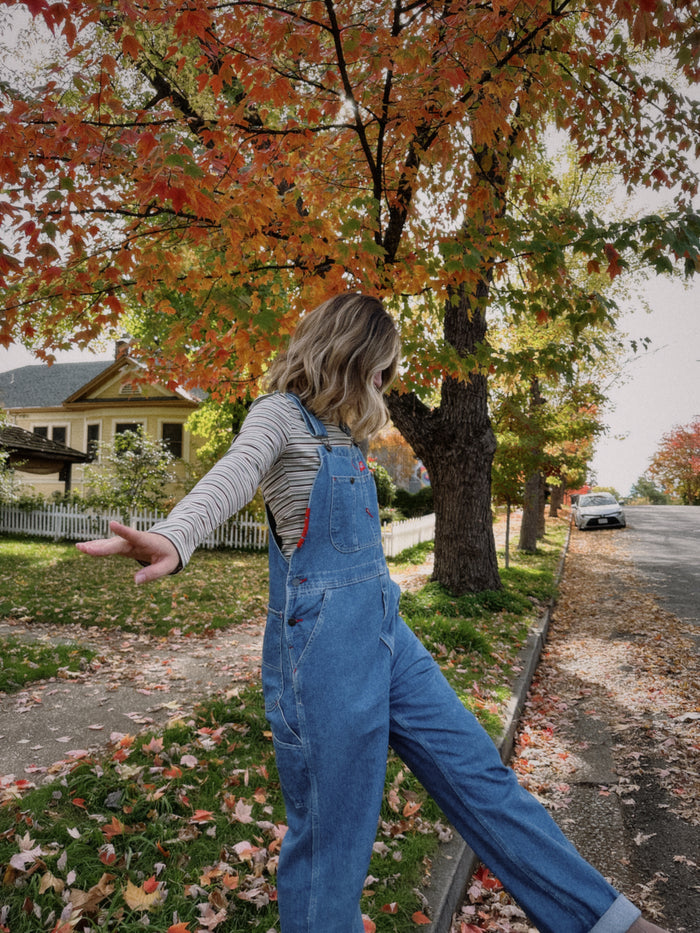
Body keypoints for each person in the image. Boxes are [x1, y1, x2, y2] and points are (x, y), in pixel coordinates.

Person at [77, 293, 670, 933]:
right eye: (383, 367)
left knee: (482, 780)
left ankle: (610, 924)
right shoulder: (280, 416)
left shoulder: (346, 433)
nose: (387, 382)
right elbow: (234, 472)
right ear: (353, 355)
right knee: (336, 842)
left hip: (388, 635)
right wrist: (174, 536)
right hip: (324, 652)